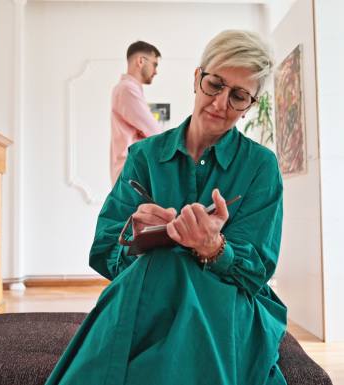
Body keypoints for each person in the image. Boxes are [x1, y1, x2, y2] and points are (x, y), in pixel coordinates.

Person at [46, 30, 286, 385]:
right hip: (149, 290)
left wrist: (214, 248)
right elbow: (104, 250)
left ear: (251, 105)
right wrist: (134, 234)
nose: (220, 104)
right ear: (197, 78)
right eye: (215, 85)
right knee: (162, 268)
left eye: (238, 96)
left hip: (225, 298)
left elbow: (256, 272)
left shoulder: (260, 166)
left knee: (169, 269)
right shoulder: (144, 156)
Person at [110, 40, 163, 185]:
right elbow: (155, 133)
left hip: (130, 172)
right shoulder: (127, 89)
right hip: (132, 173)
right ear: (140, 61)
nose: (156, 71)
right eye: (154, 64)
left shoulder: (126, 89)